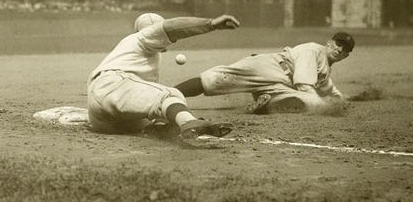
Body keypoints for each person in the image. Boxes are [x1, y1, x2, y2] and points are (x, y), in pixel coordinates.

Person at [86, 13, 240, 147]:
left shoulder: (137, 52)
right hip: (113, 84)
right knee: (169, 95)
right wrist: (211, 24)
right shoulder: (141, 38)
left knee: (154, 114)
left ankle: (157, 128)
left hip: (103, 118)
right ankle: (188, 121)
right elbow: (171, 27)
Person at [173, 33, 355, 114]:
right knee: (214, 80)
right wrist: (325, 105)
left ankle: (266, 103)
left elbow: (328, 88)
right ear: (329, 42)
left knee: (296, 101)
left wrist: (339, 99)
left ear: (346, 56)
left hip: (280, 84)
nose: (340, 49)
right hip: (268, 67)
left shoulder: (325, 70)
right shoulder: (314, 51)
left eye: (345, 49)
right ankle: (167, 95)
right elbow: (304, 84)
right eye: (338, 44)